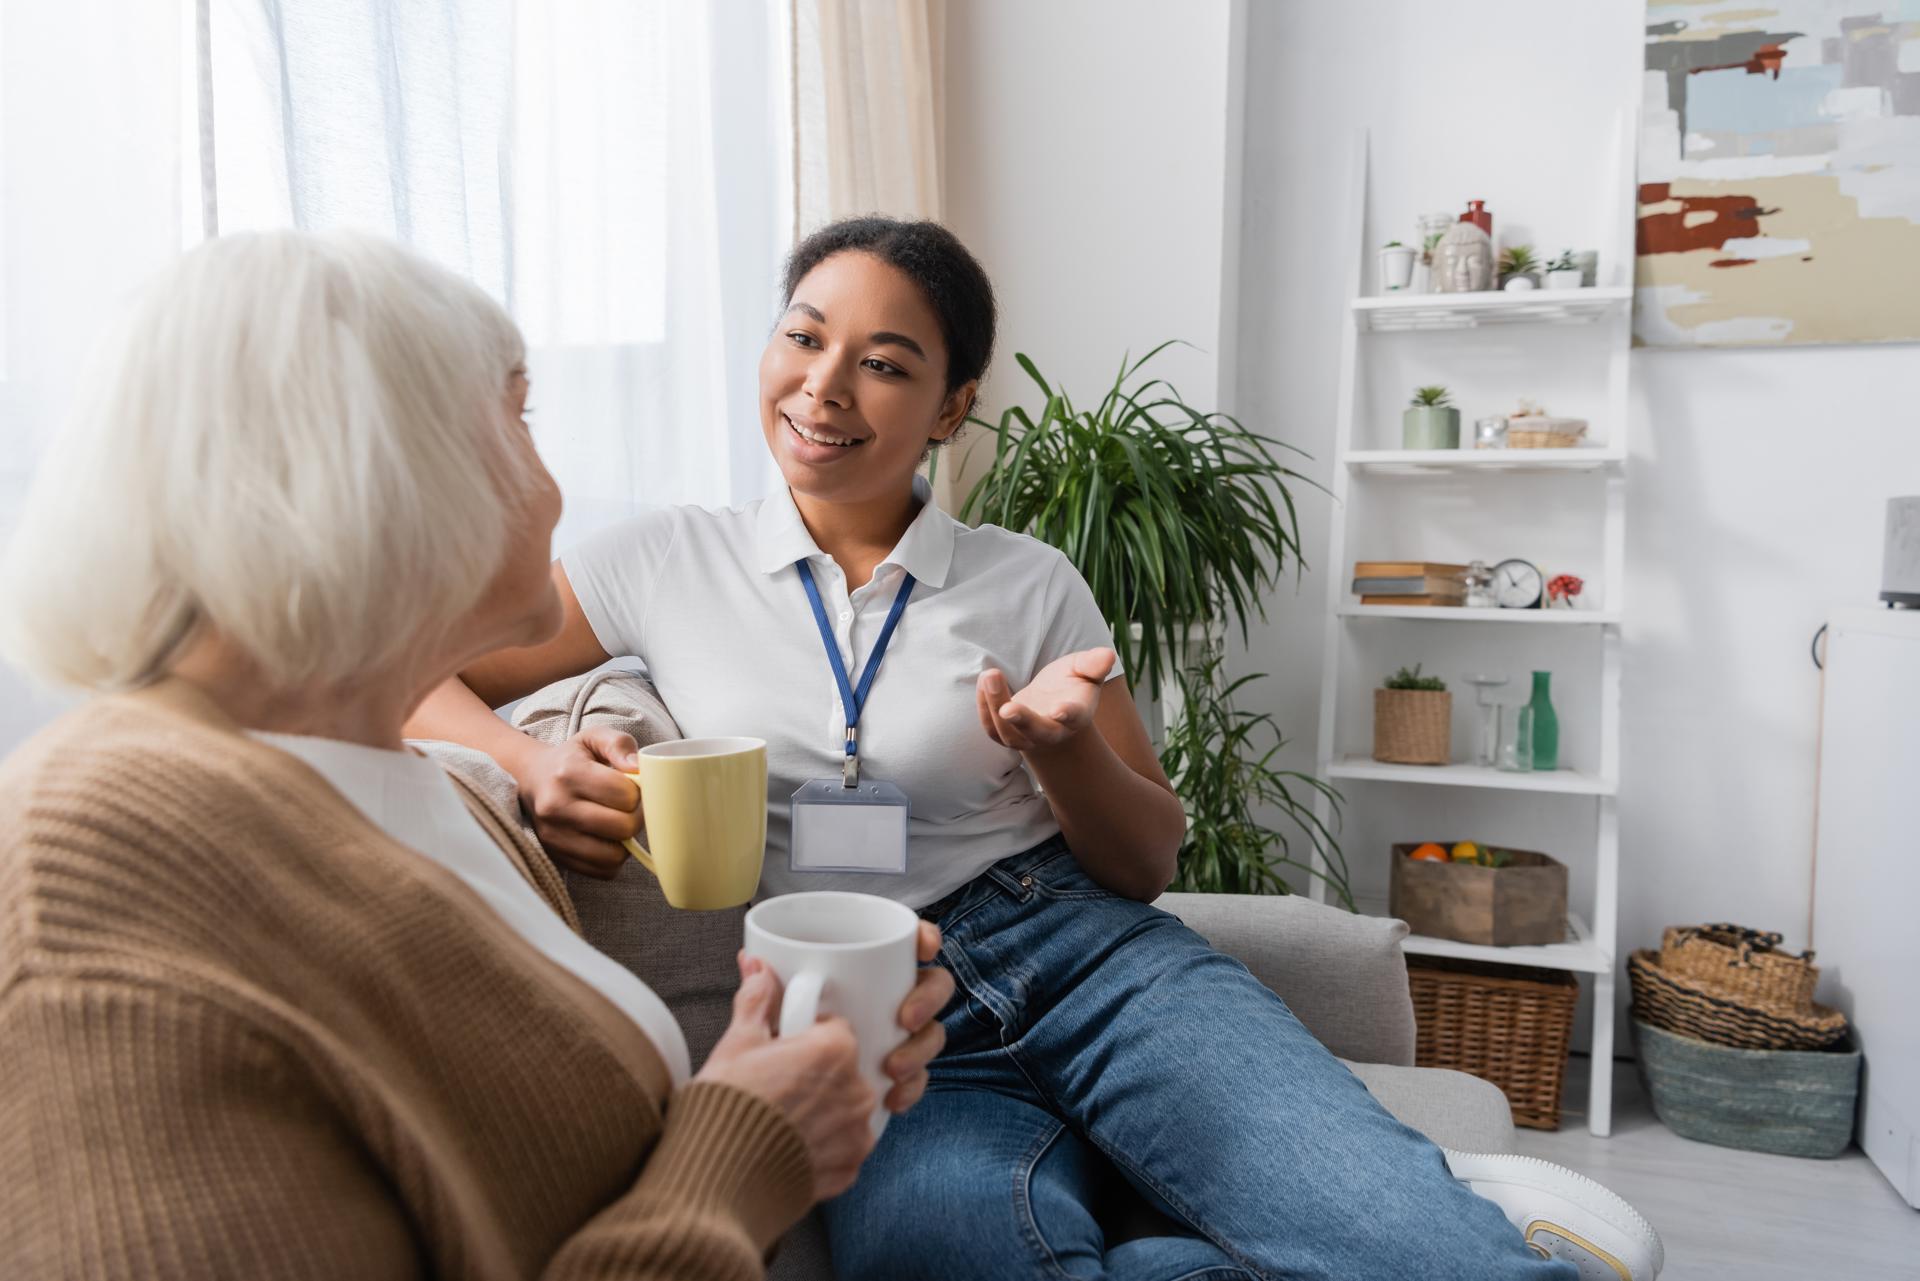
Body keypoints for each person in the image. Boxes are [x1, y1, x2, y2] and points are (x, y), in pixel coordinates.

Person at [408, 217, 1665, 1281]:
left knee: (1411, 1251)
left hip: (1083, 952)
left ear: (953, 405)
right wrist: (529, 766)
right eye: (804, 335)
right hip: (877, 1016)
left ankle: (1438, 1219)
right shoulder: (659, 559)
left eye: (885, 364)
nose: (824, 388)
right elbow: (414, 672)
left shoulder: (1027, 581)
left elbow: (1146, 860)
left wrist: (1065, 754)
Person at [0, 229, 952, 1281]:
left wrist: (762, 1090)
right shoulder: (90, 893)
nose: (553, 483)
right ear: (376, 471)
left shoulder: (391, 780)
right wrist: (743, 1153)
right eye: (521, 415)